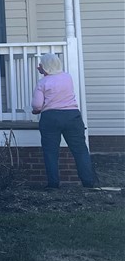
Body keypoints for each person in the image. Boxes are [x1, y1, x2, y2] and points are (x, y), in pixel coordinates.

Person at [31, 53, 97, 188]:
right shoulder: (68, 77)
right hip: (72, 116)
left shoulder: (42, 82)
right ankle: (88, 182)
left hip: (51, 118)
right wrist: (45, 70)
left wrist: (36, 111)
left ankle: (53, 184)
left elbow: (37, 105)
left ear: (44, 67)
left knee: (51, 152)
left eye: (41, 65)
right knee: (80, 150)